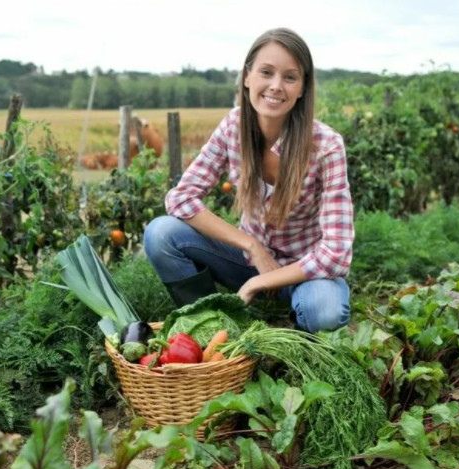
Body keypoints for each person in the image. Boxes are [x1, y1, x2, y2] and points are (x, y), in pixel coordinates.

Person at [143, 28, 354, 333]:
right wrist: (252, 246)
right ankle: (215, 327)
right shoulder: (233, 127)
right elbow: (180, 198)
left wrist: (262, 280)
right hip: (244, 262)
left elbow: (336, 254)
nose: (276, 86)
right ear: (247, 77)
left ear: (303, 88)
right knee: (161, 233)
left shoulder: (326, 146)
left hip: (305, 273)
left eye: (290, 77)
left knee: (323, 310)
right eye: (266, 72)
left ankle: (298, 336)